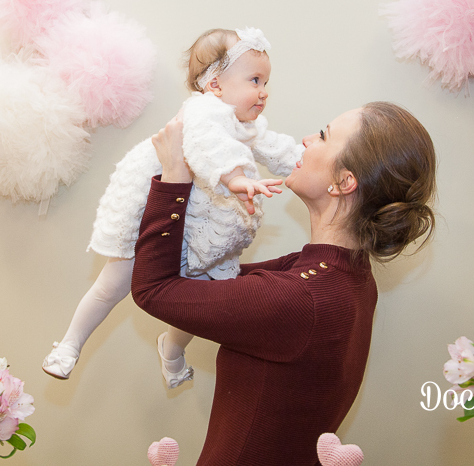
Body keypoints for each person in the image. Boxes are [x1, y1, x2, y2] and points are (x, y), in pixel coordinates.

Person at [131, 101, 437, 466]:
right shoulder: (347, 276)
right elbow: (206, 284)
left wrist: (174, 175)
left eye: (323, 136)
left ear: (344, 182)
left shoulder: (300, 296)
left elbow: (155, 289)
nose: (307, 139)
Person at [43, 27, 303, 386]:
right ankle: (70, 345)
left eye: (266, 81)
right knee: (113, 283)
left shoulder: (246, 125)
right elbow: (206, 144)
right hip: (157, 213)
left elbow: (276, 146)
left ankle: (172, 351)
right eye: (255, 79)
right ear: (215, 84)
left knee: (197, 301)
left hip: (201, 222)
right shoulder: (203, 111)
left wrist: (305, 161)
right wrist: (235, 179)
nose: (263, 91)